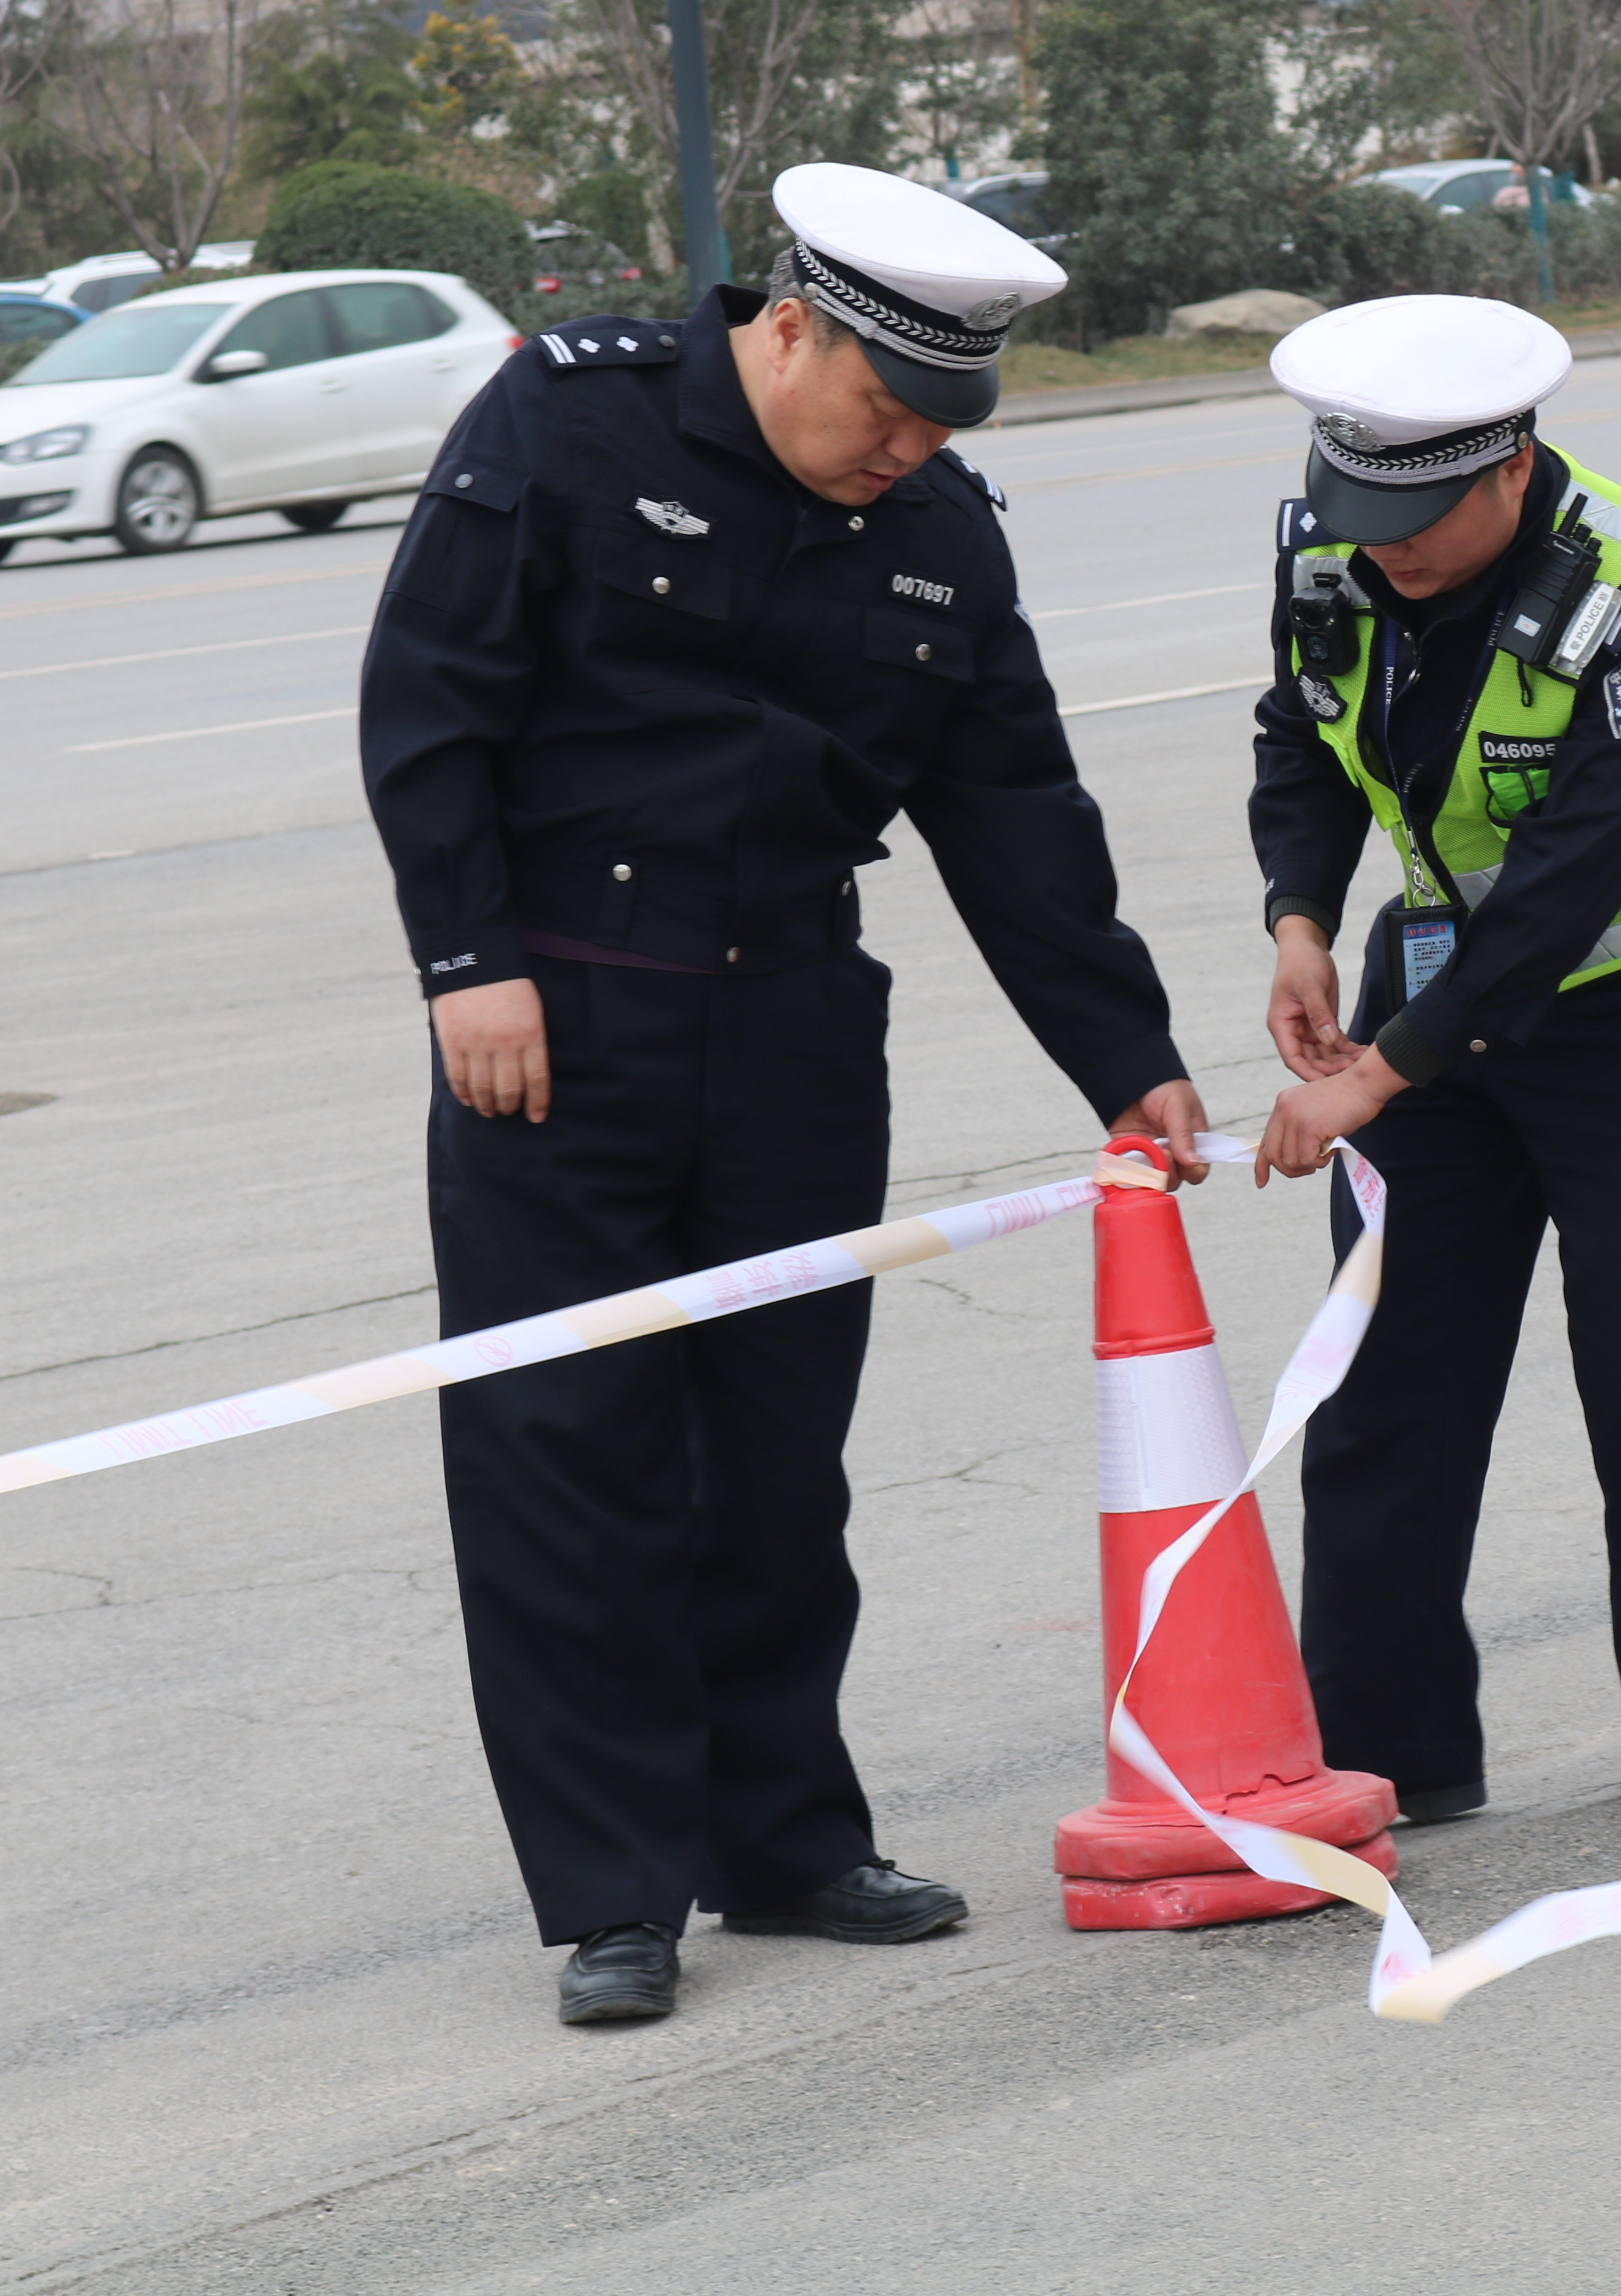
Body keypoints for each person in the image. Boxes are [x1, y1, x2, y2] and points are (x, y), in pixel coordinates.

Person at [360, 163, 1209, 2027]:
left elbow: (1017, 816)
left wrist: (1128, 1061)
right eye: (880, 405)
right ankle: (615, 1891)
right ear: (791, 327)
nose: (900, 448)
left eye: (938, 424)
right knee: (568, 1462)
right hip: (555, 1025)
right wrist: (465, 958)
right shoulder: (570, 422)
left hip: (796, 1025)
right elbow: (429, 695)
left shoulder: (939, 529)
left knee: (772, 1458)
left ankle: (786, 1840)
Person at [1244, 294, 1621, 1826]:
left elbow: (1568, 877)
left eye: (1419, 517)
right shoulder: (1333, 546)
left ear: (1515, 469)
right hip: (1435, 974)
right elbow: (1300, 733)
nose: (1385, 550)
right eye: (1363, 512)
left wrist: (1377, 1074)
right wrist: (1302, 921)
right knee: (1386, 1377)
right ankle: (1391, 1745)